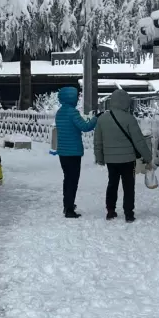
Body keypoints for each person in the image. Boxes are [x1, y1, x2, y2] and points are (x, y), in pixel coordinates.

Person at [94, 89, 152, 223]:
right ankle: (129, 213)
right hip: (128, 159)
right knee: (129, 186)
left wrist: (99, 157)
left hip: (111, 160)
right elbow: (139, 141)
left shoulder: (102, 119)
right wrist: (147, 157)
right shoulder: (129, 119)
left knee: (112, 184)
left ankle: (110, 210)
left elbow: (98, 141)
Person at [55, 86, 98, 219]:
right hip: (73, 152)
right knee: (73, 180)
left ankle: (67, 204)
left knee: (67, 179)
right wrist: (95, 118)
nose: (78, 98)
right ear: (71, 98)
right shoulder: (73, 113)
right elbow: (85, 127)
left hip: (63, 152)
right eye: (76, 96)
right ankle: (69, 209)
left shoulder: (60, 112)